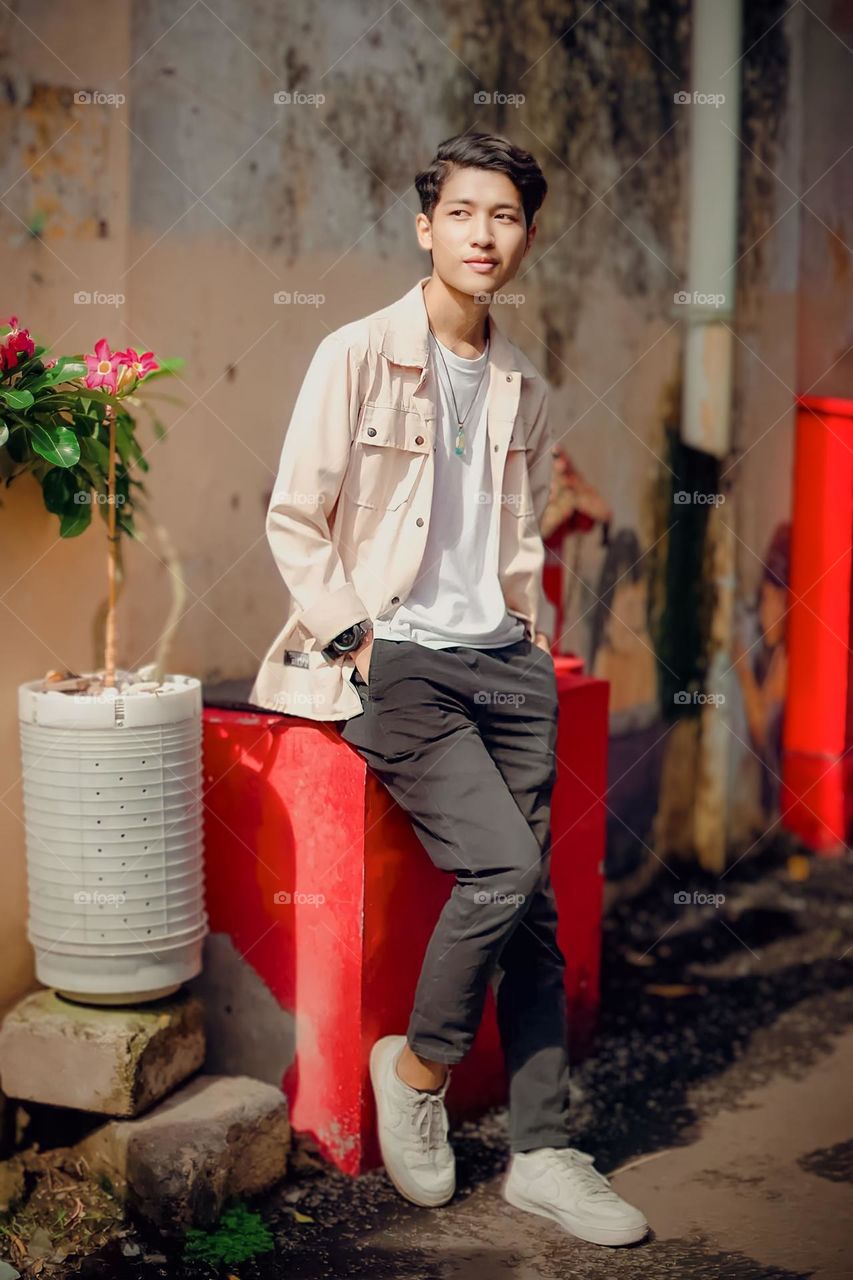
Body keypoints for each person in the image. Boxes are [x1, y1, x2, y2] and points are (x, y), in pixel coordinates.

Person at [250, 131, 648, 1249]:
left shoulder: (520, 383)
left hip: (503, 660)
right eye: (462, 213)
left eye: (505, 216)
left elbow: (513, 534)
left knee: (536, 913)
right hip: (400, 663)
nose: (484, 235)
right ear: (426, 227)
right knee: (505, 867)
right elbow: (293, 514)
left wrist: (527, 637)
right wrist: (359, 642)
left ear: (528, 235)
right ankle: (418, 1069)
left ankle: (542, 1152)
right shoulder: (356, 354)